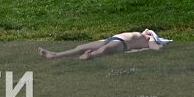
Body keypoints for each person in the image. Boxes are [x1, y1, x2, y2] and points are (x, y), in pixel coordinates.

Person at [40, 29, 170, 60]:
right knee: (80, 47)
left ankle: (89, 56)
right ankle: (55, 55)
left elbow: (156, 48)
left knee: (105, 50)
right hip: (111, 38)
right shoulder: (141, 33)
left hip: (123, 43)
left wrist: (157, 45)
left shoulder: (149, 38)